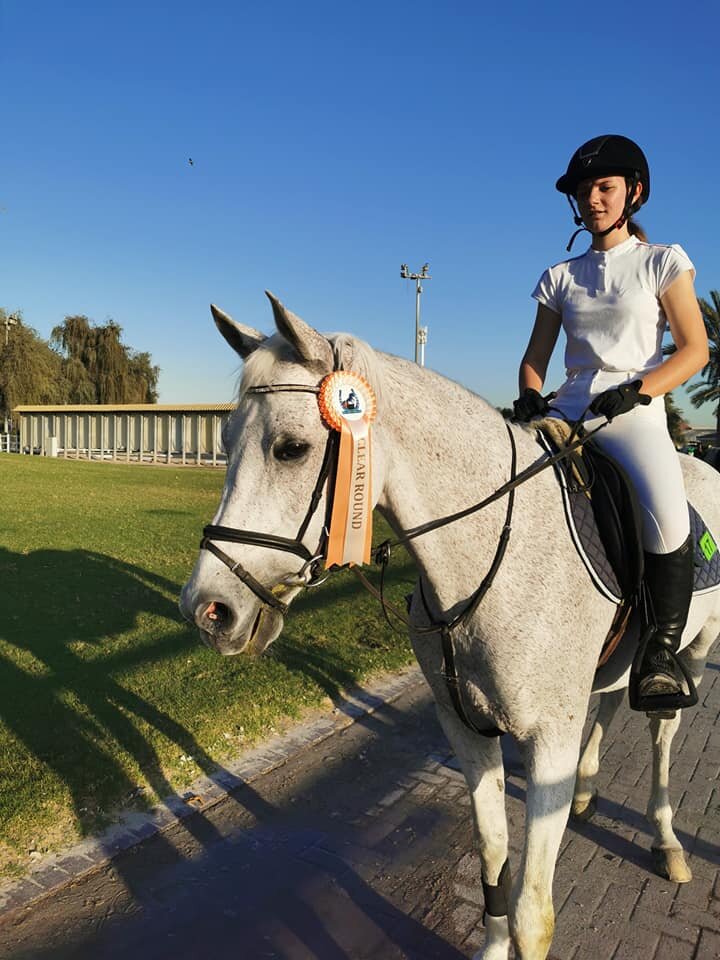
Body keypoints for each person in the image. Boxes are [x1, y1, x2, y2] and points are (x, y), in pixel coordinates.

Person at [513, 134, 709, 714]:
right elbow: (534, 360)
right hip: (567, 408)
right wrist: (529, 398)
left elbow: (694, 350)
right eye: (585, 188)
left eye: (605, 187)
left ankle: (660, 654)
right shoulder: (559, 276)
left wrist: (638, 392)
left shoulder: (662, 261)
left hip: (632, 410)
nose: (593, 198)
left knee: (667, 515)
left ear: (634, 193)